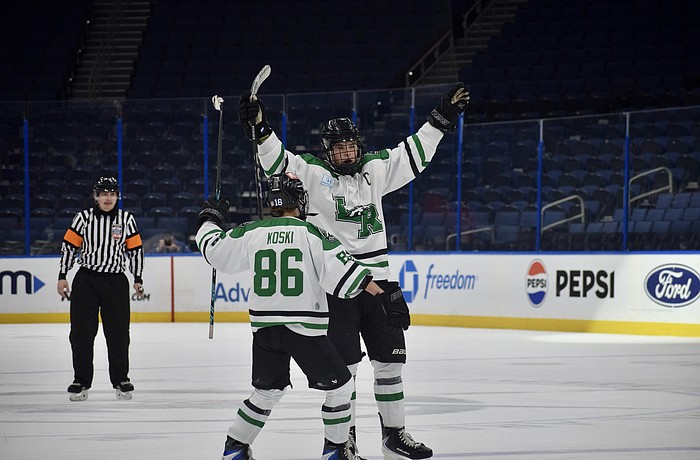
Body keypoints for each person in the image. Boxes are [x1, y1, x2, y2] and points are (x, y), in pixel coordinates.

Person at [238, 83, 470, 459]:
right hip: (338, 289)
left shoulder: (376, 169)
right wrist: (261, 128)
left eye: (350, 145)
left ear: (357, 144)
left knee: (390, 365)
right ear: (327, 151)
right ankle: (343, 444)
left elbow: (415, 151)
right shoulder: (313, 174)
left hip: (379, 283)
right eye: (338, 147)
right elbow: (277, 161)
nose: (345, 152)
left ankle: (394, 436)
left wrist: (442, 117)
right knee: (345, 374)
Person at [196, 172, 411, 460]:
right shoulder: (312, 233)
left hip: (264, 331)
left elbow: (213, 250)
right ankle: (336, 451)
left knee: (266, 392)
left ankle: (234, 447)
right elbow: (349, 276)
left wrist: (210, 218)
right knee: (343, 387)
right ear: (299, 199)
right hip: (302, 329)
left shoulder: (251, 231)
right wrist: (384, 295)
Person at [57, 176, 144, 401]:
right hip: (86, 280)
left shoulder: (126, 219)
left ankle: (121, 379)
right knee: (81, 333)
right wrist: (62, 275)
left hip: (115, 280)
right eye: (104, 194)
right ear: (96, 197)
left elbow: (135, 250)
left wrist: (138, 278)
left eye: (112, 194)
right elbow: (68, 247)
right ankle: (81, 380)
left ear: (118, 196)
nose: (108, 198)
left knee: (118, 334)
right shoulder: (83, 218)